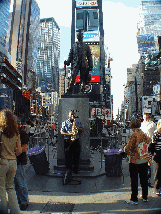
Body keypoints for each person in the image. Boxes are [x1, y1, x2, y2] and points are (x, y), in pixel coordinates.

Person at [124, 118, 151, 204]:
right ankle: (145, 196)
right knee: (144, 178)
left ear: (132, 126)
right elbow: (149, 141)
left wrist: (124, 148)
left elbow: (129, 147)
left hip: (135, 160)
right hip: (144, 159)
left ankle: (134, 199)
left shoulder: (134, 135)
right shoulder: (143, 133)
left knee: (134, 179)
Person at [0, 109, 22, 214]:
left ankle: (3, 211)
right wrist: (12, 154)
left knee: (1, 188)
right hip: (13, 162)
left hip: (2, 161)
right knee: (10, 188)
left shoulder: (1, 132)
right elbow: (19, 150)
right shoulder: (16, 133)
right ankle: (15, 211)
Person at [60, 111, 83, 184]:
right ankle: (68, 171)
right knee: (68, 156)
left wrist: (77, 128)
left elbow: (82, 129)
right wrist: (69, 134)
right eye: (71, 115)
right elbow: (61, 132)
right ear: (68, 115)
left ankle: (76, 170)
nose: (72, 116)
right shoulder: (64, 122)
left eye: (73, 114)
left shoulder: (77, 122)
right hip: (68, 141)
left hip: (76, 140)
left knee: (77, 155)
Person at [14, 126, 29, 210]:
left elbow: (25, 148)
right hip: (15, 160)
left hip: (19, 160)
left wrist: (13, 150)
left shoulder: (21, 133)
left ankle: (24, 201)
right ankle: (20, 199)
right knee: (16, 182)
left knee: (20, 181)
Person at [141, 112, 156, 187]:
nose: (146, 117)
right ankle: (145, 179)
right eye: (145, 116)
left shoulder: (152, 124)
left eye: (147, 116)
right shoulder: (141, 125)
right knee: (144, 163)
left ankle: (148, 180)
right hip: (143, 146)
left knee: (148, 163)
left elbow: (155, 133)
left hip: (150, 145)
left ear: (149, 116)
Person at [149, 119, 161, 195]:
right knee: (157, 172)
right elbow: (152, 145)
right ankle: (157, 187)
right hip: (157, 155)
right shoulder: (156, 134)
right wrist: (151, 155)